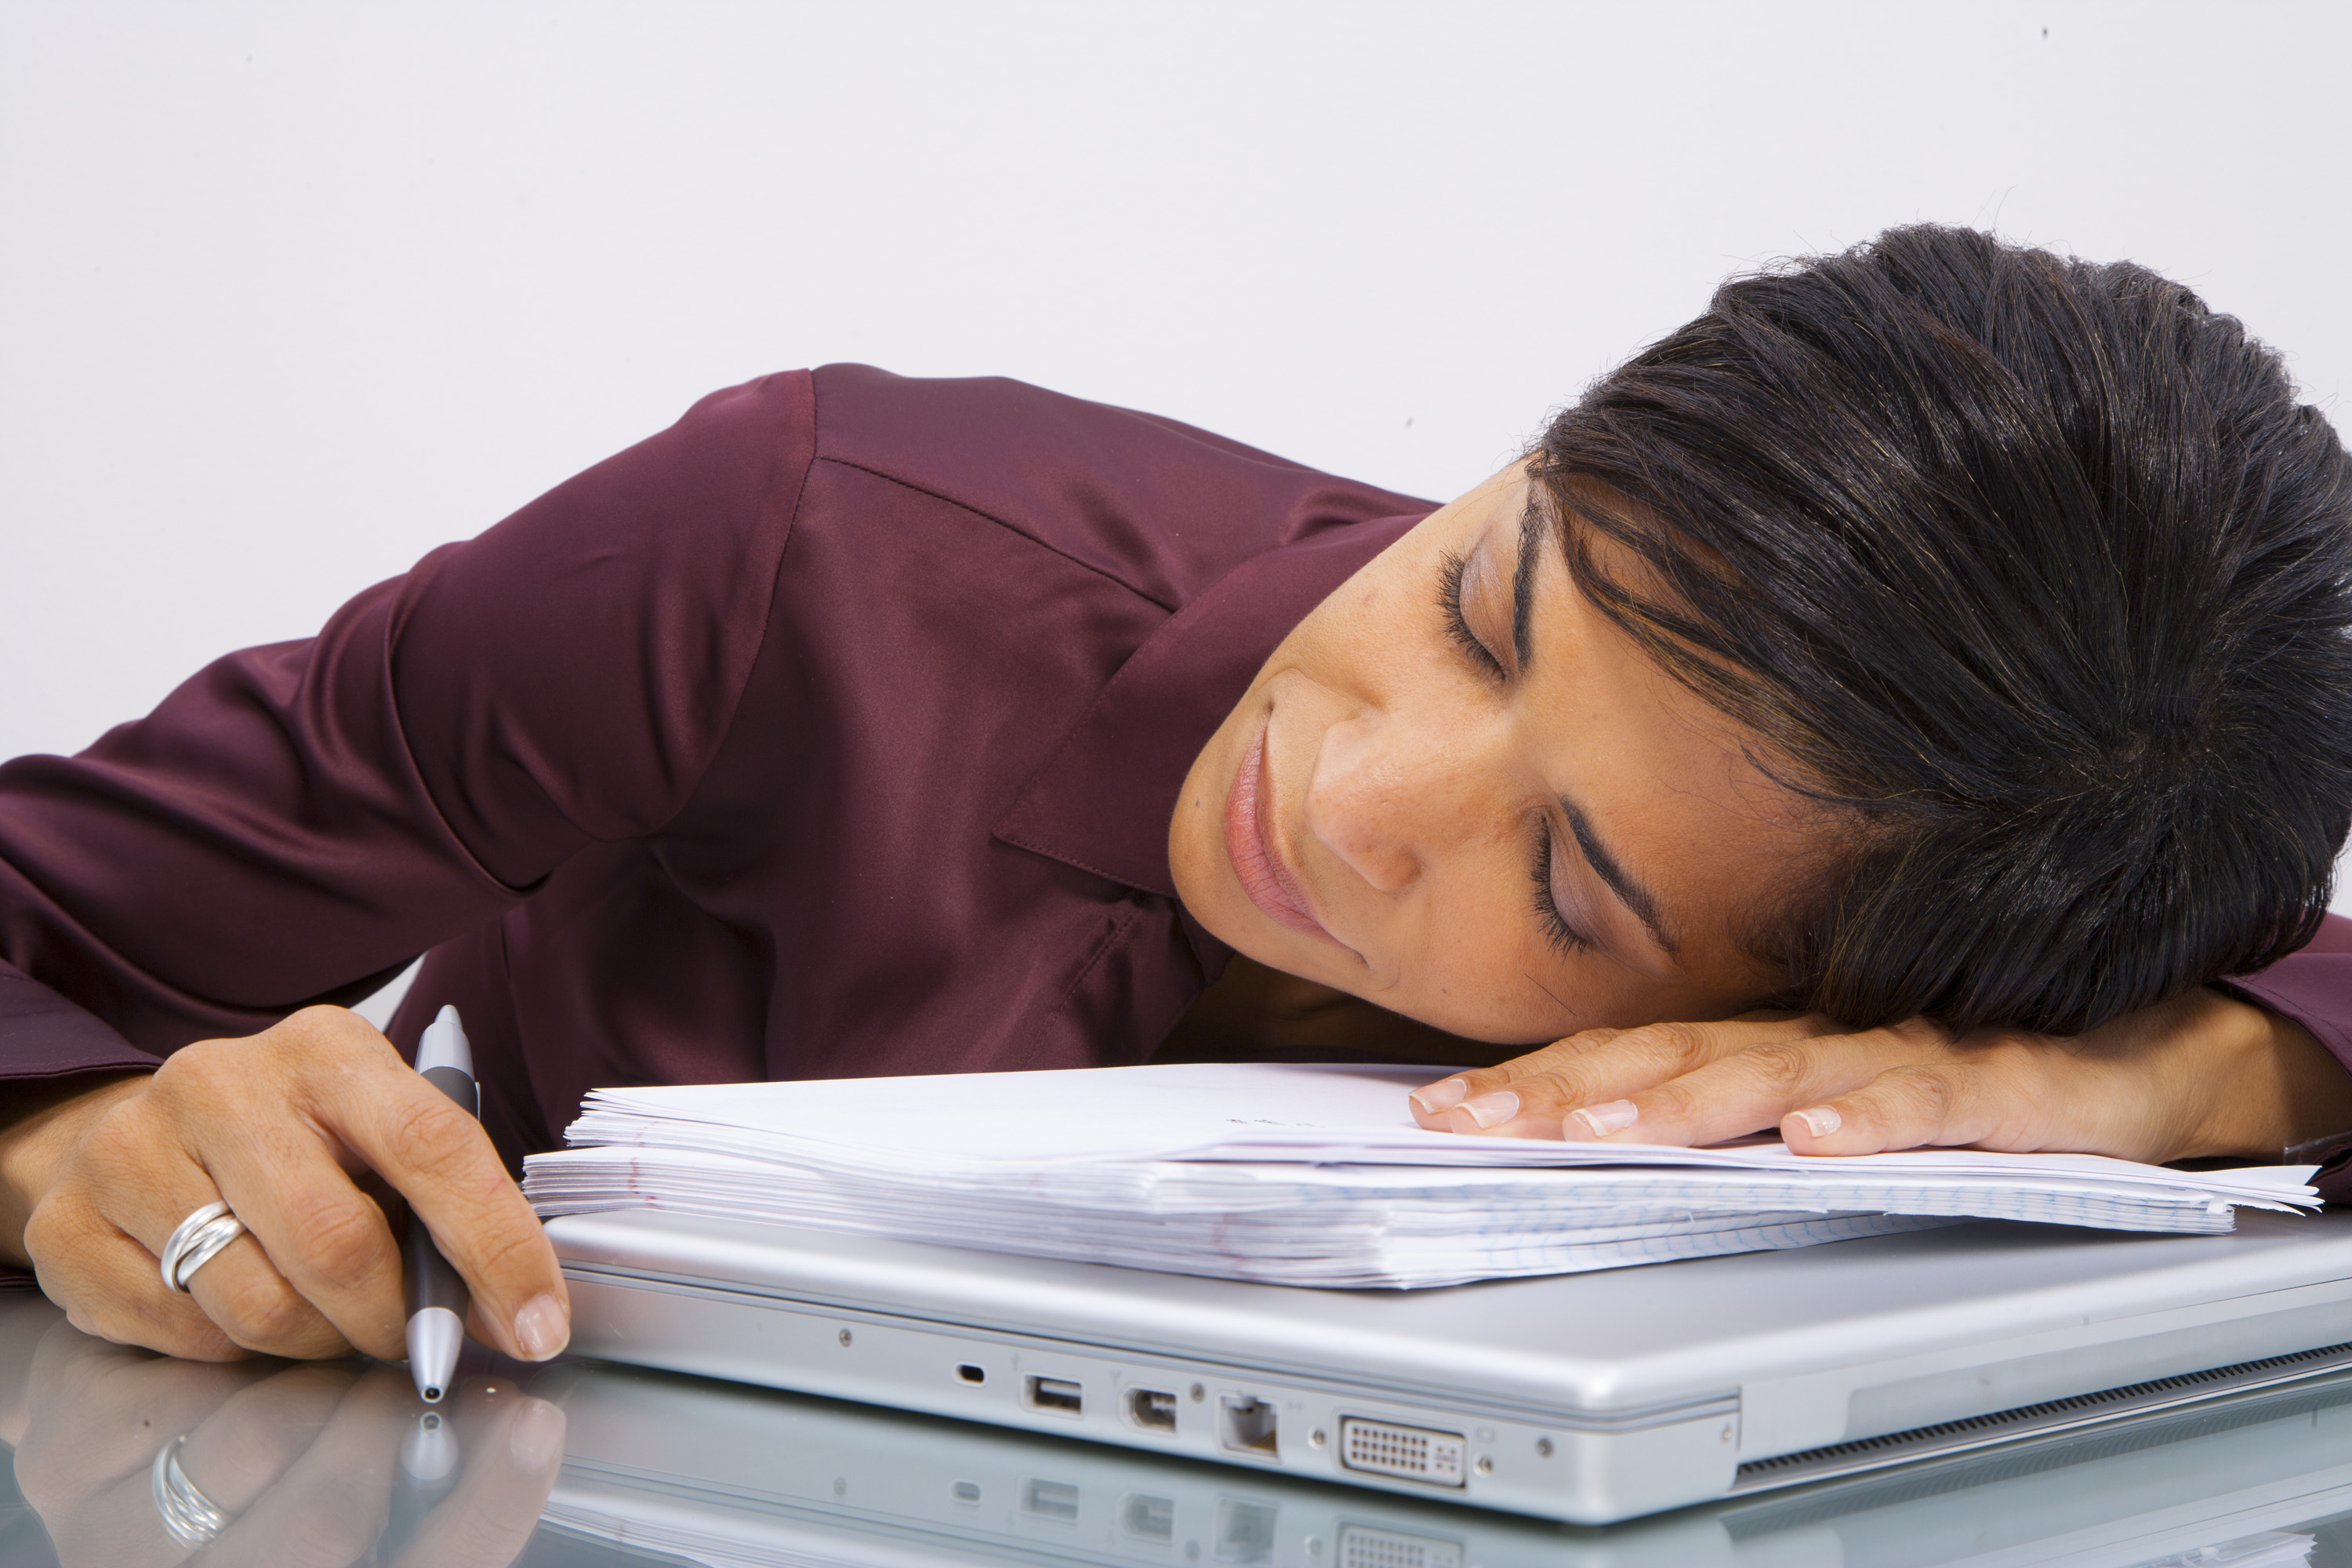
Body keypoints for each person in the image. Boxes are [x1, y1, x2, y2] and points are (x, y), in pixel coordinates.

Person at [2, 225, 2350, 1372]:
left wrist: (2172, 1067)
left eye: (1569, 878)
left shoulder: (2008, 847)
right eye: (1484, 607)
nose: (1346, 790)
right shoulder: (797, 548)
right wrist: (54, 1150)